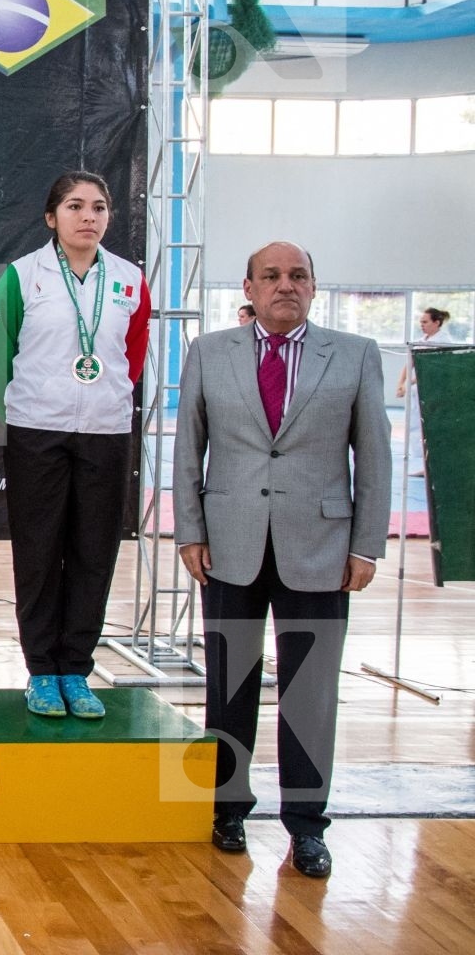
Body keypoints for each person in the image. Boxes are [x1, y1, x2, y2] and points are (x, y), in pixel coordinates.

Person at [174, 241, 389, 879]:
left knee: (311, 693)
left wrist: (365, 544)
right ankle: (228, 809)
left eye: (297, 276)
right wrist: (189, 532)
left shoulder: (354, 355)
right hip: (229, 546)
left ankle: (307, 827)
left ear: (314, 287)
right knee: (229, 684)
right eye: (271, 276)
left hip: (322, 549)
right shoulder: (209, 353)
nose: (284, 285)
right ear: (249, 287)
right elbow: (189, 447)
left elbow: (373, 456)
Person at [0, 172, 150, 719]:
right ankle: (41, 672)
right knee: (37, 553)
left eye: (99, 207)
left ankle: (76, 671)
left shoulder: (129, 280)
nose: (89, 217)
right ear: (52, 217)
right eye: (75, 206)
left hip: (105, 432)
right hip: (37, 432)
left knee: (93, 554)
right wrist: (27, 412)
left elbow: (135, 352)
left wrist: (104, 399)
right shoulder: (22, 275)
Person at [397, 306, 450, 471]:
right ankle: (426, 468)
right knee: (418, 429)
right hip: (418, 393)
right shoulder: (422, 341)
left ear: (437, 322)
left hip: (436, 392)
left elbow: (432, 369)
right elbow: (410, 361)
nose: (422, 324)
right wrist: (401, 383)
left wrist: (409, 383)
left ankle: (433, 468)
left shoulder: (444, 342)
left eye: (425, 322)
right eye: (420, 322)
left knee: (432, 429)